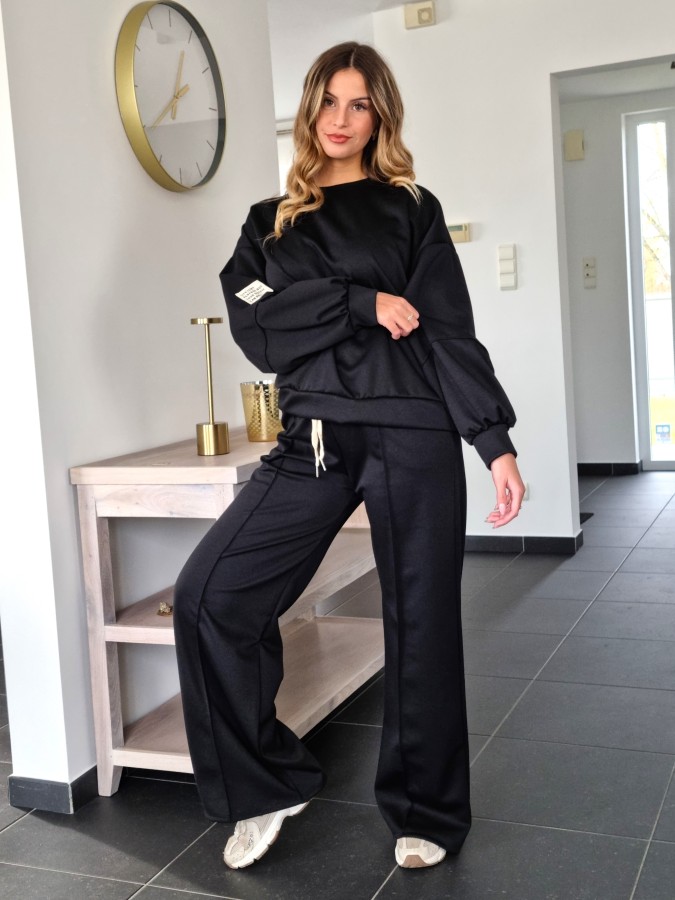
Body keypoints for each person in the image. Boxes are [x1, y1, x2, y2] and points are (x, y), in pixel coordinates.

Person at [173, 41, 525, 873]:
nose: (340, 119)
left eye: (358, 104)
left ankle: (425, 810)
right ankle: (265, 784)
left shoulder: (410, 207)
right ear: (308, 109)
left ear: (379, 116)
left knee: (420, 624)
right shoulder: (268, 222)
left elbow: (445, 330)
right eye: (328, 101)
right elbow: (258, 330)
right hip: (313, 439)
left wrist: (492, 441)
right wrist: (361, 302)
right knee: (209, 596)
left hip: (413, 431)